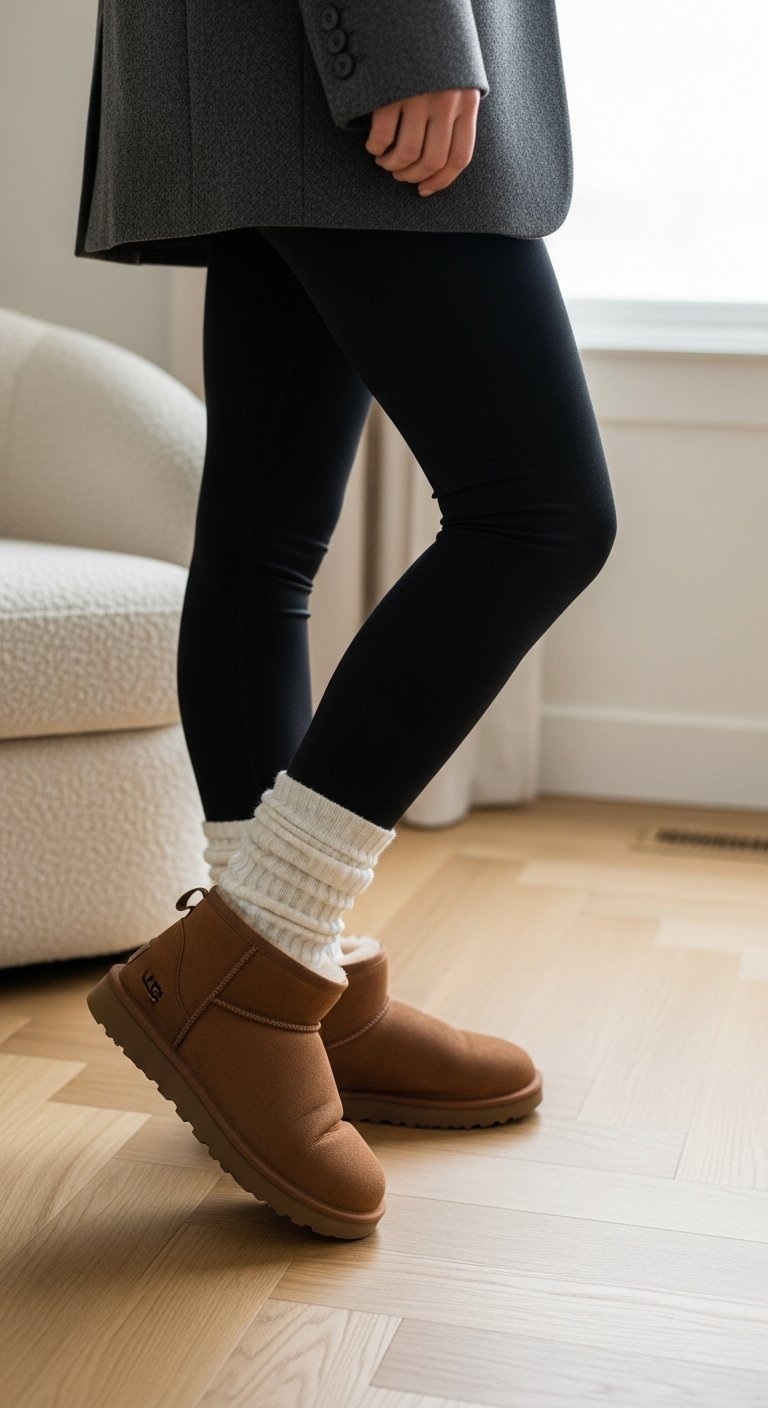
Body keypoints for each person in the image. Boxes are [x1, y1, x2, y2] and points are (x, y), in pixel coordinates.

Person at [77, 0, 617, 1239]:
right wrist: (411, 33)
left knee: (269, 537)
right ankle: (256, 957)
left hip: (256, 54)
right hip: (331, 42)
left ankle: (297, 989)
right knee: (540, 514)